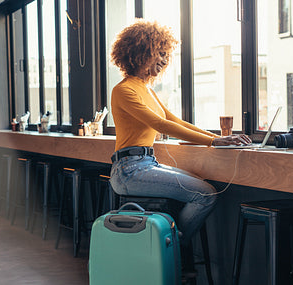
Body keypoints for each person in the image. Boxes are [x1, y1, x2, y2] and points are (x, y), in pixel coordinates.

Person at [108, 19, 251, 247]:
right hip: (128, 171)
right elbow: (162, 125)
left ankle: (167, 247)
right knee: (205, 194)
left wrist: (216, 139)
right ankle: (172, 249)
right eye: (159, 53)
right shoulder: (123, 90)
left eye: (166, 54)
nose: (164, 60)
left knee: (202, 185)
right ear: (141, 52)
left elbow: (174, 120)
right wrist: (214, 141)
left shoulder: (148, 90)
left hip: (147, 163)